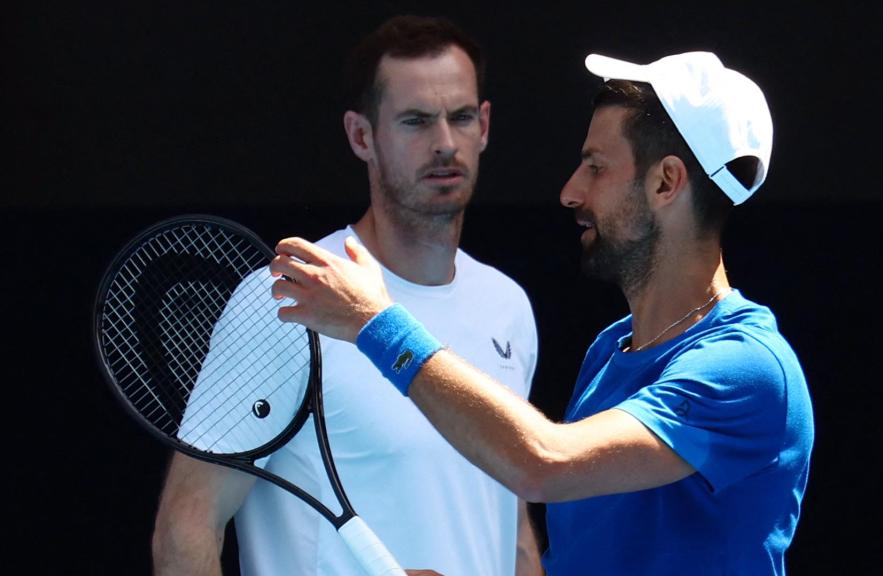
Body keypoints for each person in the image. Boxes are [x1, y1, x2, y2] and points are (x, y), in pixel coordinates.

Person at [271, 49, 815, 575]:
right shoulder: (610, 350)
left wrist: (374, 321)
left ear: (665, 182)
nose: (569, 192)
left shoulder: (747, 369)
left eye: (595, 167)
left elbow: (544, 463)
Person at [151, 15, 543, 576]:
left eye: (460, 118)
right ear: (362, 136)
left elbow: (510, 522)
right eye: (415, 121)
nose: (444, 144)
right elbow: (187, 528)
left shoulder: (508, 306)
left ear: (484, 125)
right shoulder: (289, 295)